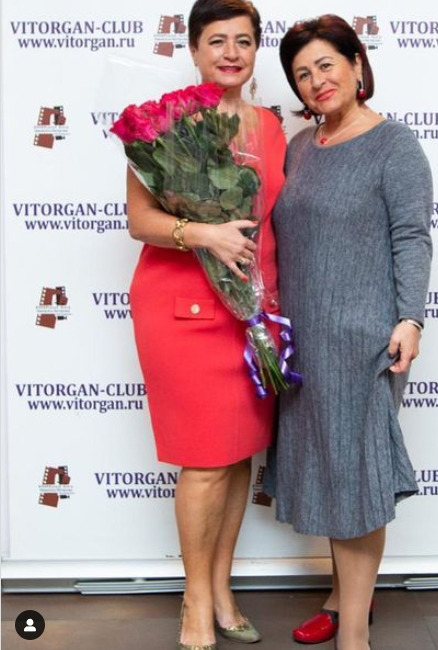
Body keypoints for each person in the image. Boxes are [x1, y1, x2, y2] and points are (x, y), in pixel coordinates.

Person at [126, 0, 285, 647]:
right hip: (183, 311)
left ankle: (221, 589)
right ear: (192, 49)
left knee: (238, 452)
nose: (230, 53)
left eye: (243, 41)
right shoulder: (167, 123)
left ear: (255, 51)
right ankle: (194, 602)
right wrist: (203, 234)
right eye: (216, 40)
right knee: (203, 462)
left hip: (251, 311)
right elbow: (141, 220)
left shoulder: (269, 126)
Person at [272, 14, 432, 650]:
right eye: (302, 74)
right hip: (304, 340)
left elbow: (412, 237)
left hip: (367, 339)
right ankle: (341, 599)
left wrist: (410, 318)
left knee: (357, 477)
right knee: (328, 469)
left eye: (326, 65)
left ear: (357, 64)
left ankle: (355, 635)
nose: (316, 81)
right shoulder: (299, 148)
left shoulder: (395, 144)